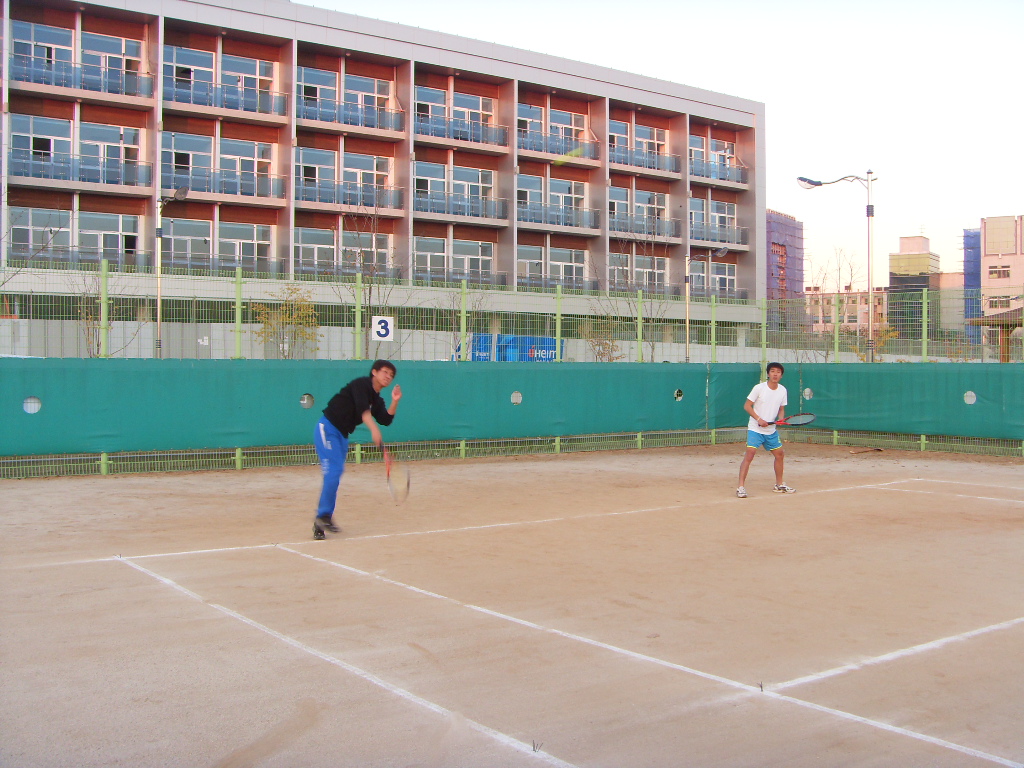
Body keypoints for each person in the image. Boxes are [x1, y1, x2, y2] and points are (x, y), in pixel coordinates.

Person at [313, 360, 402, 539]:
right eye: (385, 372)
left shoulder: (377, 399)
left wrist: (395, 401)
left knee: (336, 473)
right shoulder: (361, 384)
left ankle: (321, 521)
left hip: (342, 435)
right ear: (374, 372)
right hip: (328, 428)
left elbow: (385, 419)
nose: (388, 377)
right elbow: (363, 410)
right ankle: (323, 516)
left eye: (391, 375)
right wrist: (374, 430)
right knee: (333, 472)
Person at [736, 362, 795, 498]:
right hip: (755, 428)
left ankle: (779, 485)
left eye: (778, 372)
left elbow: (781, 408)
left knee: (779, 454)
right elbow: (747, 406)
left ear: (781, 375)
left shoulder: (782, 390)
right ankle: (740, 487)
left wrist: (781, 419)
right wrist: (758, 419)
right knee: (750, 454)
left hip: (770, 430)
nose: (775, 374)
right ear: (768, 374)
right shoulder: (759, 388)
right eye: (772, 371)